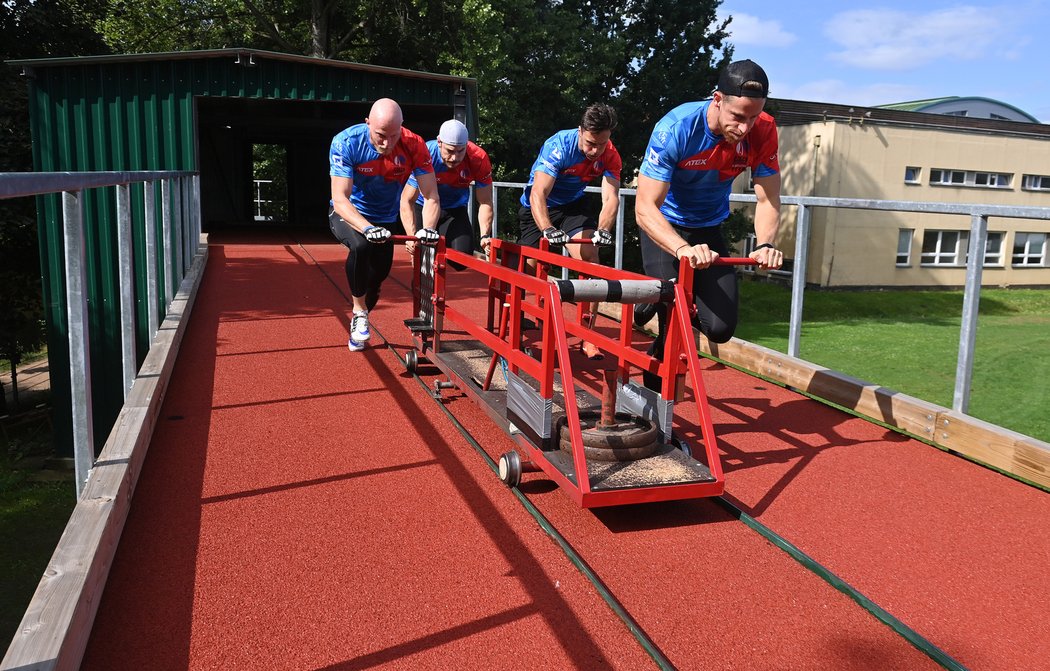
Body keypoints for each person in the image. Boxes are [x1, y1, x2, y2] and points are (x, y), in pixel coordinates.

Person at [634, 59, 784, 386]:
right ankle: (657, 399)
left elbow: (768, 198)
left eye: (753, 117)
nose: (744, 128)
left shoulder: (764, 130)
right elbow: (645, 207)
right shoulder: (676, 127)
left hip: (708, 225)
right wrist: (683, 248)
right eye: (737, 117)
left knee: (720, 329)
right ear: (717, 100)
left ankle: (655, 303)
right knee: (674, 321)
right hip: (666, 226)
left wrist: (766, 244)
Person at [329, 98, 442, 352]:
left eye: (393, 136)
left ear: (402, 128)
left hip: (385, 219)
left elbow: (431, 195)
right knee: (360, 247)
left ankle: (364, 307)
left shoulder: (414, 145)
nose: (387, 143)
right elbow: (340, 199)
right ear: (367, 123)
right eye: (380, 135)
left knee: (377, 276)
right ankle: (358, 312)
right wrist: (367, 228)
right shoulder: (346, 142)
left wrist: (429, 228)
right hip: (350, 213)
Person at [518, 103, 622, 359]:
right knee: (527, 269)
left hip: (572, 206)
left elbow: (611, 198)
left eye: (601, 144)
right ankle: (516, 318)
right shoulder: (559, 145)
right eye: (589, 143)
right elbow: (538, 193)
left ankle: (588, 336)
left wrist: (604, 230)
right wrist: (547, 228)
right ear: (580, 131)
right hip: (539, 207)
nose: (594, 151)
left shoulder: (609, 153)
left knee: (590, 258)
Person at [399, 119, 495, 269]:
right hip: (423, 206)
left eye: (460, 151)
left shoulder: (478, 158)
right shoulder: (426, 153)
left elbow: (485, 201)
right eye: (449, 151)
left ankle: (436, 253)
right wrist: (411, 236)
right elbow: (407, 200)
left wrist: (484, 235)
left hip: (453, 209)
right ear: (439, 142)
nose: (455, 158)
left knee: (461, 260)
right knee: (420, 259)